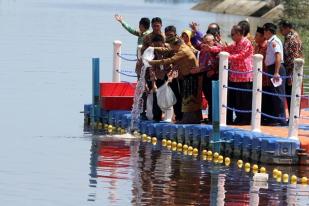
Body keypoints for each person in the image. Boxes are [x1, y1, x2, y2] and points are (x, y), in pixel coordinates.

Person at [204, 25, 254, 125]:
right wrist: (210, 49)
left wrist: (228, 57)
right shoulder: (235, 43)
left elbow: (242, 55)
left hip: (244, 76)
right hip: (234, 76)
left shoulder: (246, 43)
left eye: (232, 34)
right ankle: (239, 118)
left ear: (239, 34)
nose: (231, 36)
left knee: (244, 100)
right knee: (236, 100)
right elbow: (224, 48)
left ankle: (245, 120)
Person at [148, 36, 202, 124]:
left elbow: (170, 60)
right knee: (186, 100)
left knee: (190, 100)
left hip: (192, 76)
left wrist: (152, 62)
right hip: (187, 75)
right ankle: (187, 119)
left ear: (175, 45)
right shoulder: (182, 46)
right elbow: (167, 50)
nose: (171, 49)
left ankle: (189, 120)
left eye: (171, 46)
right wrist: (153, 48)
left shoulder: (182, 51)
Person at [263, 22, 287, 126]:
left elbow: (278, 56)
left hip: (276, 68)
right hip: (272, 68)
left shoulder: (274, 41)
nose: (264, 33)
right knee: (274, 94)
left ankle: (281, 119)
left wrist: (276, 72)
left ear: (268, 31)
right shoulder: (270, 41)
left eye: (264, 31)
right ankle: (276, 118)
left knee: (278, 94)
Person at [192, 34, 219, 123]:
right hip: (204, 75)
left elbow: (220, 62)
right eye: (204, 42)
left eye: (208, 42)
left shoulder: (216, 49)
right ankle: (210, 117)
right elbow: (195, 42)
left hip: (213, 75)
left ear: (213, 42)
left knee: (213, 98)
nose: (205, 44)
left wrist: (214, 71)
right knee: (208, 97)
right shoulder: (203, 50)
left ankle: (213, 118)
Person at [278, 20, 303, 113]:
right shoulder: (293, 36)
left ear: (287, 28)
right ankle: (293, 116)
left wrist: (289, 75)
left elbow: (292, 58)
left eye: (282, 29)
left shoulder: (292, 39)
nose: (280, 31)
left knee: (291, 94)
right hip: (293, 70)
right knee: (292, 95)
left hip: (292, 71)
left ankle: (293, 117)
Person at [254, 27, 272, 125]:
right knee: (259, 98)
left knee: (267, 98)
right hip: (258, 78)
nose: (255, 37)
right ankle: (260, 117)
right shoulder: (256, 47)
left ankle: (267, 118)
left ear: (263, 37)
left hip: (266, 78)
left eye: (256, 35)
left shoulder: (267, 47)